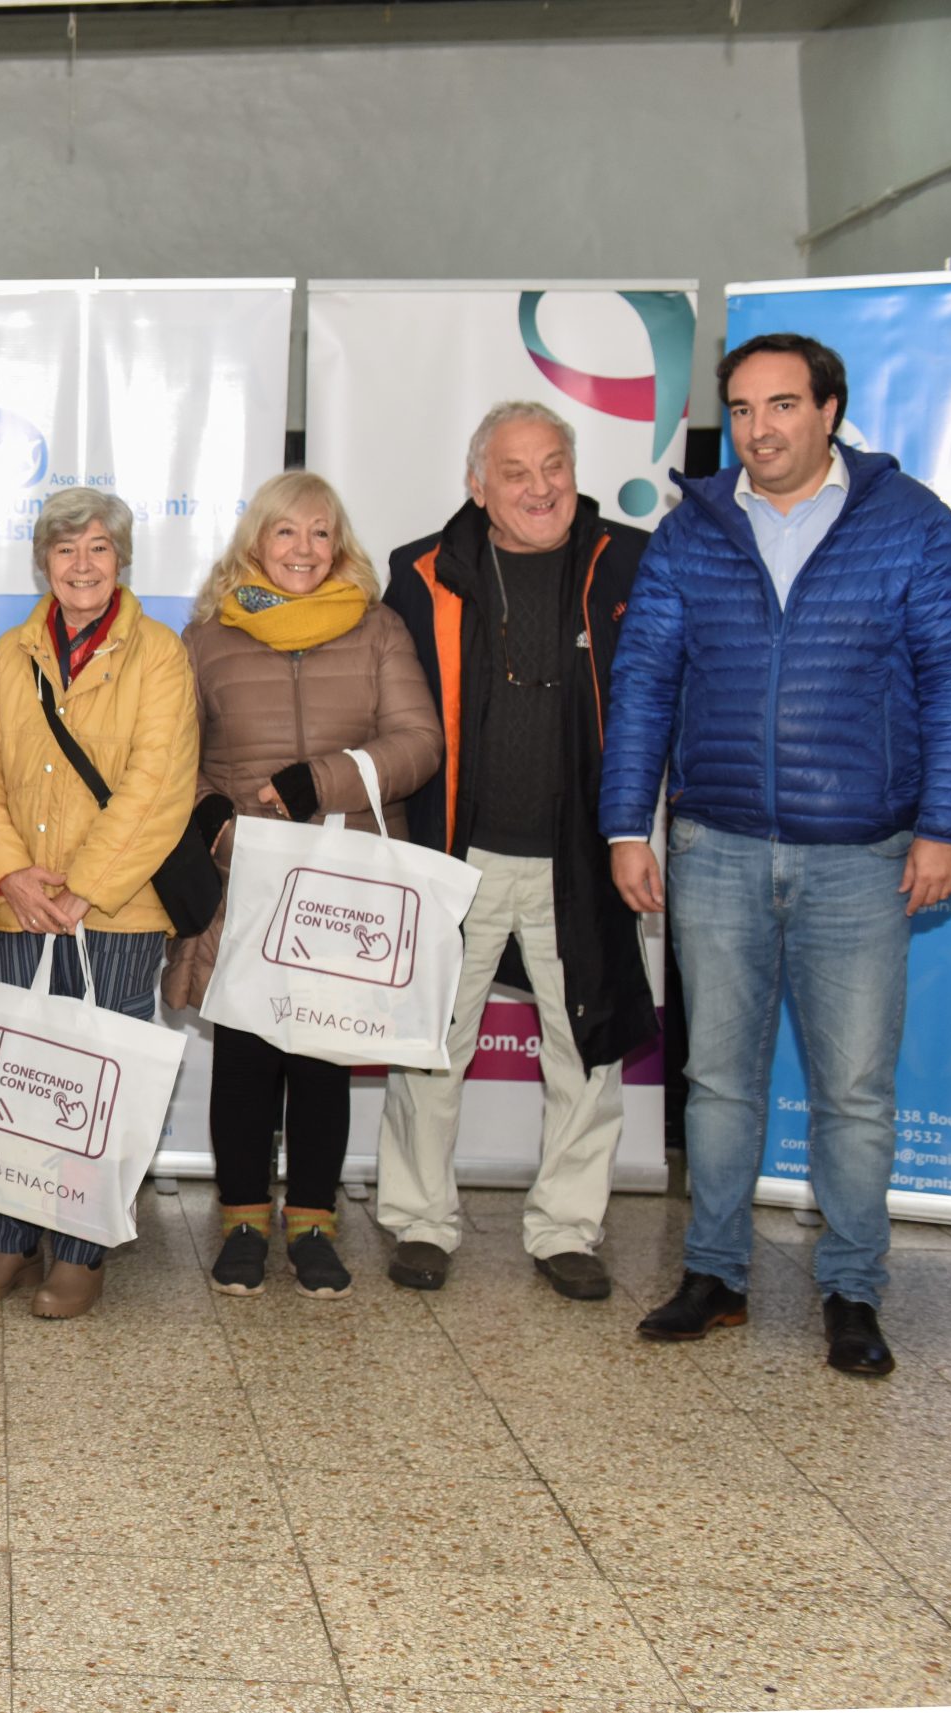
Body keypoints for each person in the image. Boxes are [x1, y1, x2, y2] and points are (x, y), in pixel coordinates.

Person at [605, 333, 951, 1377]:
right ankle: (714, 1276)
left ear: (829, 413)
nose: (758, 429)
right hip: (715, 847)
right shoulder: (695, 530)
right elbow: (643, 680)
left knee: (854, 1092)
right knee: (717, 1083)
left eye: (781, 406)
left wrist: (947, 824)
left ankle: (852, 1292)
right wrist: (622, 824)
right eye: (739, 409)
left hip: (861, 857)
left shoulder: (908, 525)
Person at [375, 403, 656, 1300]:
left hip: (585, 855)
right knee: (431, 1048)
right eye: (516, 472)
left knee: (588, 1047)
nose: (540, 487)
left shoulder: (632, 564)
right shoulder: (423, 574)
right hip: (455, 855)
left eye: (554, 466)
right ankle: (420, 1221)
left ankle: (568, 1228)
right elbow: (384, 707)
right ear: (477, 485)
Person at [164, 472, 442, 1300]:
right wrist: (213, 818)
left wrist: (322, 781)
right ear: (256, 542)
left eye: (321, 534)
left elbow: (419, 742)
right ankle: (244, 1220)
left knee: (322, 1056)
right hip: (243, 876)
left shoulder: (378, 628)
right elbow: (172, 759)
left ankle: (315, 1223)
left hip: (340, 883)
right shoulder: (207, 638)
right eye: (286, 533)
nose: (304, 550)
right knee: (245, 1056)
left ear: (341, 544)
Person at [0, 487, 199, 1320]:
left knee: (98, 1086)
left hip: (118, 911)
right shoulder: (8, 656)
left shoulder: (160, 655)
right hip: (16, 905)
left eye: (99, 548)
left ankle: (81, 1251)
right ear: (42, 561)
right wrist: (12, 875)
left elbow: (157, 788)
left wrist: (84, 887)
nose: (83, 564)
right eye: (66, 550)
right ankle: (9, 1238)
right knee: (17, 1076)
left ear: (121, 559)